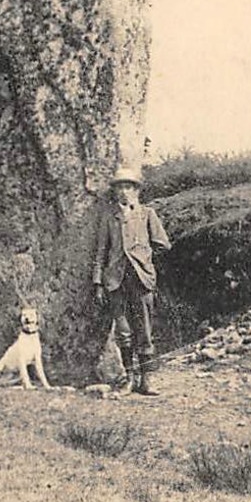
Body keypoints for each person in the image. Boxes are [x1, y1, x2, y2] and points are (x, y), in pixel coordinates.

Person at [92, 166, 171, 396]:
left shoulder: (147, 214)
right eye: (119, 187)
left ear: (136, 190)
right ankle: (129, 379)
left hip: (141, 279)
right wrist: (98, 282)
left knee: (144, 331)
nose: (124, 192)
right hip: (116, 281)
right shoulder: (109, 217)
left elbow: (163, 244)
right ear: (114, 192)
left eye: (128, 186)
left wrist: (143, 257)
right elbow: (101, 252)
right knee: (124, 332)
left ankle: (147, 380)